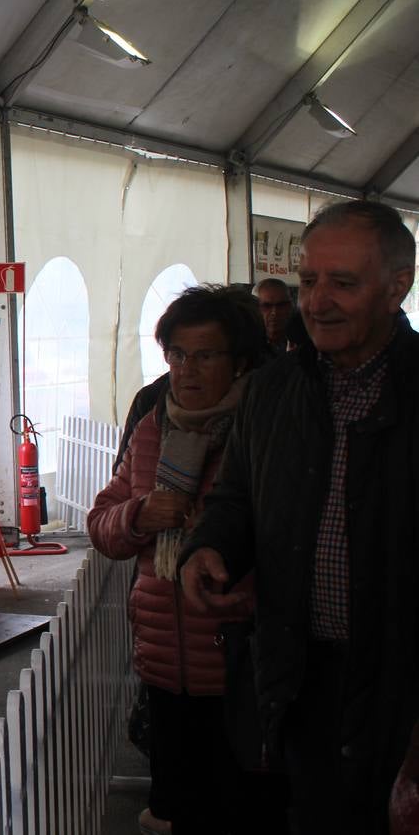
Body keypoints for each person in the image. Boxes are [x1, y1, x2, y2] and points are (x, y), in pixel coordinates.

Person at [180, 199, 418, 833]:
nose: (317, 303)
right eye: (309, 282)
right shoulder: (271, 390)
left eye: (344, 283)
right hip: (301, 677)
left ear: (399, 286)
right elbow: (236, 498)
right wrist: (209, 549)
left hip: (403, 688)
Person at [88, 284, 282, 835]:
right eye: (176, 354)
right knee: (180, 806)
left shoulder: (265, 431)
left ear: (240, 360)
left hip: (239, 662)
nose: (187, 370)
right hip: (164, 664)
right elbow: (102, 524)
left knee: (243, 805)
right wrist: (139, 515)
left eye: (205, 355)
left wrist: (220, 539)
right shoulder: (153, 429)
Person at [254, 277, 296, 355]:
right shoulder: (247, 347)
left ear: (290, 306)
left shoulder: (304, 341)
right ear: (254, 308)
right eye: (266, 306)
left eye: (281, 305)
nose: (274, 312)